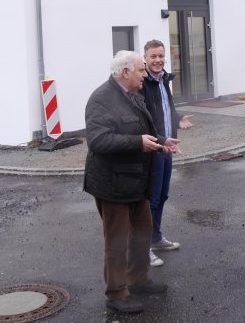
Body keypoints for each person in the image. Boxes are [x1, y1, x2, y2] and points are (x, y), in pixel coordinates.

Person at [83, 50, 182, 314]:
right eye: (141, 70)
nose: (145, 74)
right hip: (112, 184)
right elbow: (98, 141)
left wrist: (161, 142)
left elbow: (145, 130)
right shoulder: (100, 99)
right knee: (117, 241)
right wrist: (138, 143)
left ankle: (138, 280)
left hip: (137, 183)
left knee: (141, 233)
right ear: (125, 72)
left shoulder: (134, 96)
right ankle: (116, 293)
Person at [140, 39, 193, 267]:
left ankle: (156, 238)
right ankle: (143, 248)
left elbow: (166, 109)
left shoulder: (163, 80)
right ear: (145, 58)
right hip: (153, 148)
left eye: (161, 56)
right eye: (153, 56)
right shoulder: (142, 83)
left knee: (162, 196)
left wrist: (178, 118)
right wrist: (158, 141)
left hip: (167, 146)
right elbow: (143, 117)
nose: (158, 60)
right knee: (150, 200)